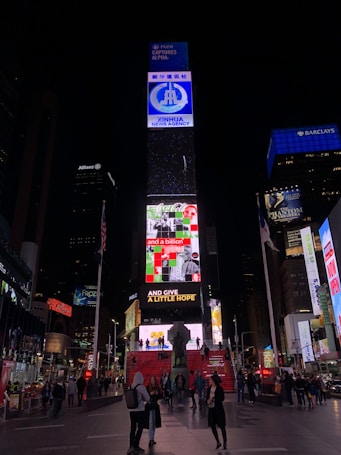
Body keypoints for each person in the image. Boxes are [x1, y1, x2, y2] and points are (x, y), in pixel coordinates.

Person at [127, 371, 150, 455]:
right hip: (140, 410)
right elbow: (147, 398)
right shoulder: (141, 387)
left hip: (131, 410)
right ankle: (136, 445)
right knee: (140, 427)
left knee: (133, 428)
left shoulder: (130, 386)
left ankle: (131, 446)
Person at [206, 375, 227, 450]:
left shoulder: (219, 389)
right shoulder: (209, 389)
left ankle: (225, 441)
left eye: (210, 380)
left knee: (222, 426)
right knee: (212, 426)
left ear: (214, 380)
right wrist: (208, 401)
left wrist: (214, 399)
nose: (209, 381)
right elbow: (207, 399)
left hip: (218, 409)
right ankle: (218, 441)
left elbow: (222, 398)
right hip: (211, 409)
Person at [145, 375, 162, 447]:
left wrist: (158, 394)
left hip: (155, 406)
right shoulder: (147, 388)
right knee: (151, 423)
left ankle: (152, 439)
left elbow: (160, 396)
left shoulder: (157, 387)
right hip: (149, 407)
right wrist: (150, 395)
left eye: (153, 380)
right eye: (151, 380)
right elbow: (145, 397)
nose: (152, 381)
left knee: (154, 423)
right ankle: (150, 439)